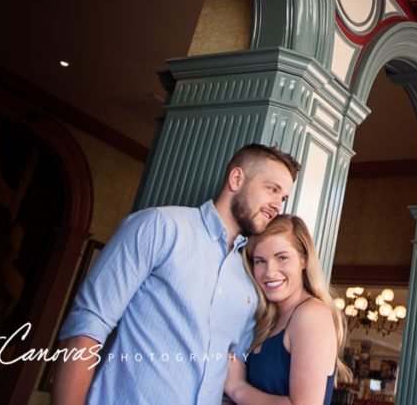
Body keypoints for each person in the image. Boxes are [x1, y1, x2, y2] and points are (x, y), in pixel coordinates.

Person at [52, 143, 299, 405]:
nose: (277, 206)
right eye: (272, 189)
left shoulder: (250, 279)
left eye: (283, 198)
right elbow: (87, 327)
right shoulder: (160, 226)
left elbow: (229, 377)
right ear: (237, 179)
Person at [223, 215, 352, 405]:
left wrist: (237, 388)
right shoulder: (267, 318)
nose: (270, 272)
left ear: (303, 260)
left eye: (282, 257)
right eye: (260, 261)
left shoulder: (311, 315)